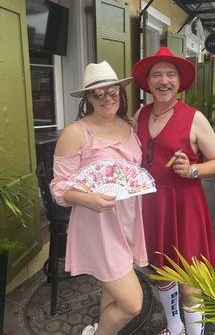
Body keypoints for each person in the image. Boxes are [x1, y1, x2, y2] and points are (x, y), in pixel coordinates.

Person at [132, 47, 215, 335]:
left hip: (184, 205)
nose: (164, 81)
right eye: (157, 75)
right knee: (161, 273)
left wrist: (193, 169)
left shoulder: (193, 117)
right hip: (152, 206)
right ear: (148, 82)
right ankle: (175, 329)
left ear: (179, 82)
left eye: (170, 75)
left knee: (189, 283)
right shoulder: (141, 113)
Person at [50, 62, 148, 335]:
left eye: (112, 92)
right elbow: (59, 189)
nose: (107, 98)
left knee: (111, 287)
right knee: (132, 304)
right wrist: (88, 199)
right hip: (98, 224)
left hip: (129, 219)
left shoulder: (129, 126)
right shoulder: (76, 132)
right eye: (98, 94)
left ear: (121, 93)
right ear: (88, 99)